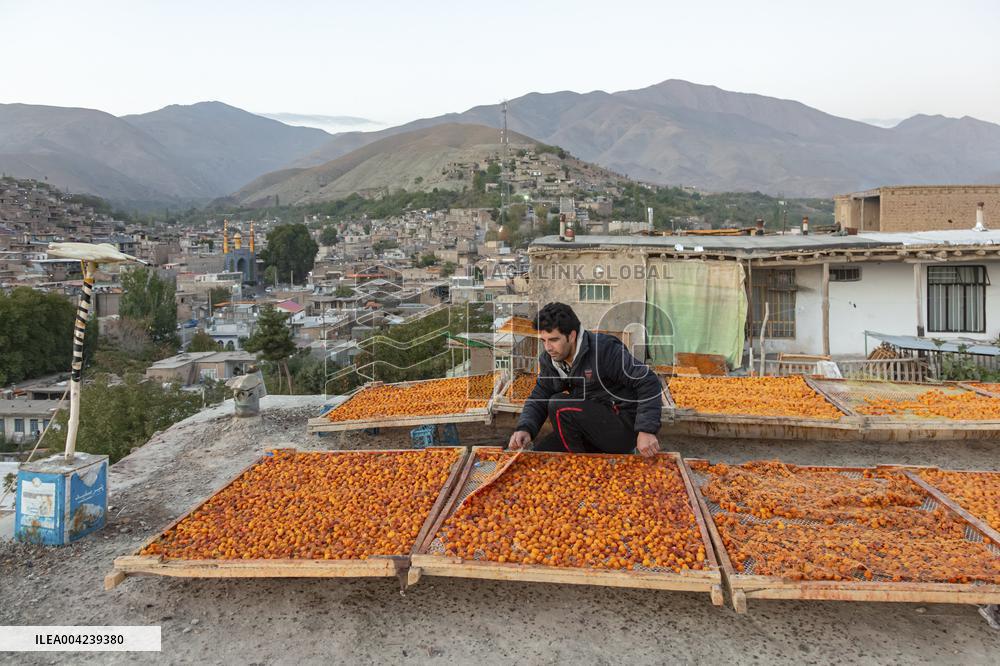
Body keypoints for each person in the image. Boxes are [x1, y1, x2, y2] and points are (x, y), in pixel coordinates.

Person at [507, 302, 662, 456]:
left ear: (572, 336)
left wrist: (646, 430)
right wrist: (525, 428)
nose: (548, 347)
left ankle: (580, 462)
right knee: (541, 453)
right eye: (543, 340)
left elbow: (648, 380)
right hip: (591, 424)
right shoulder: (551, 361)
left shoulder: (604, 350)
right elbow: (540, 395)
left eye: (554, 340)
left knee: (559, 405)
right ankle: (581, 459)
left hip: (621, 425)